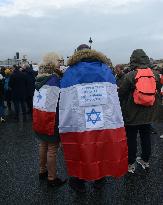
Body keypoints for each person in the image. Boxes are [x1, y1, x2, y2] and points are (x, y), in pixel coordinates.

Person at [59, 44, 128, 192]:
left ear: (77, 53)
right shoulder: (105, 70)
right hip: (104, 119)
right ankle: (99, 179)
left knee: (80, 148)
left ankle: (79, 182)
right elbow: (112, 98)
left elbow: (66, 100)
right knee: (100, 146)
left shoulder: (71, 72)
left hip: (78, 121)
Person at [119, 49, 161, 173]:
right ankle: (145, 160)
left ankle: (131, 164)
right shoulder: (155, 74)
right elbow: (156, 89)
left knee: (131, 139)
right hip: (149, 113)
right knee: (145, 137)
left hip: (132, 114)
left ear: (133, 60)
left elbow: (121, 93)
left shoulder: (130, 75)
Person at [33, 55, 66, 187]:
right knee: (52, 149)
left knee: (43, 145)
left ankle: (42, 171)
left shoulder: (39, 78)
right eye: (58, 62)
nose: (60, 64)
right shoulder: (54, 80)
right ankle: (52, 178)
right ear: (53, 64)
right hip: (51, 119)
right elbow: (60, 102)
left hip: (40, 117)